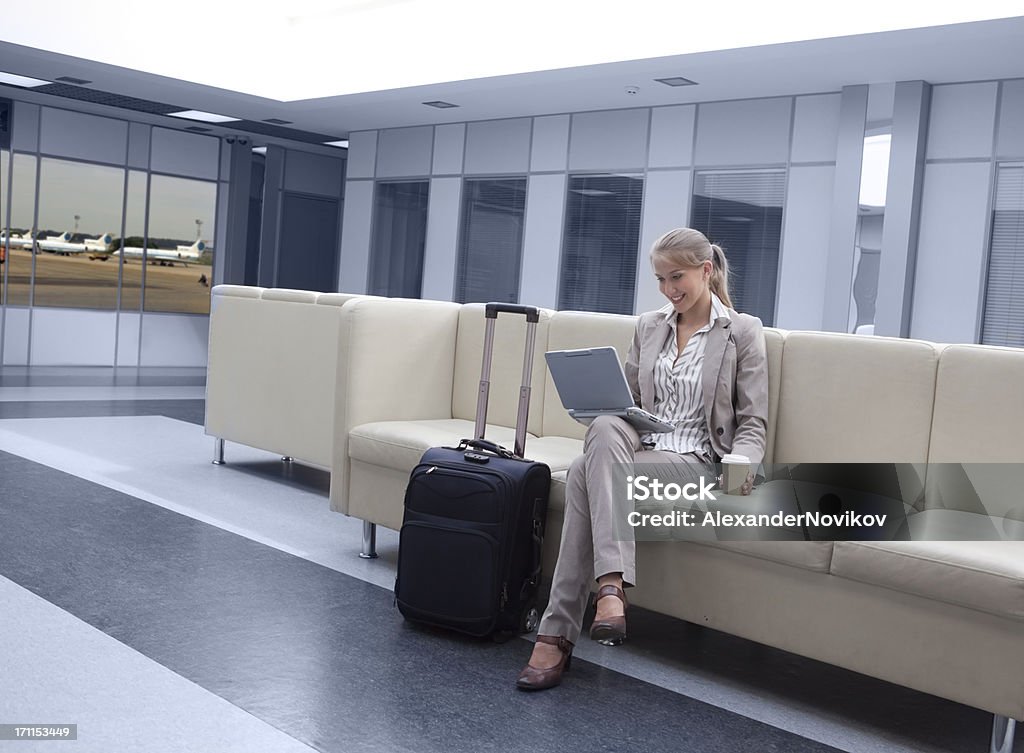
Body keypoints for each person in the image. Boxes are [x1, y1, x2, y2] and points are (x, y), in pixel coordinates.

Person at [516, 227, 769, 691]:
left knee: (579, 477)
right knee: (605, 425)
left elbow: (753, 422)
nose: (669, 290)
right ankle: (609, 587)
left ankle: (557, 634)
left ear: (706, 271)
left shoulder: (742, 332)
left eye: (677, 277)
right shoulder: (650, 327)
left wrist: (743, 462)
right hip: (640, 450)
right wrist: (597, 405)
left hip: (696, 461)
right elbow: (629, 404)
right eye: (660, 280)